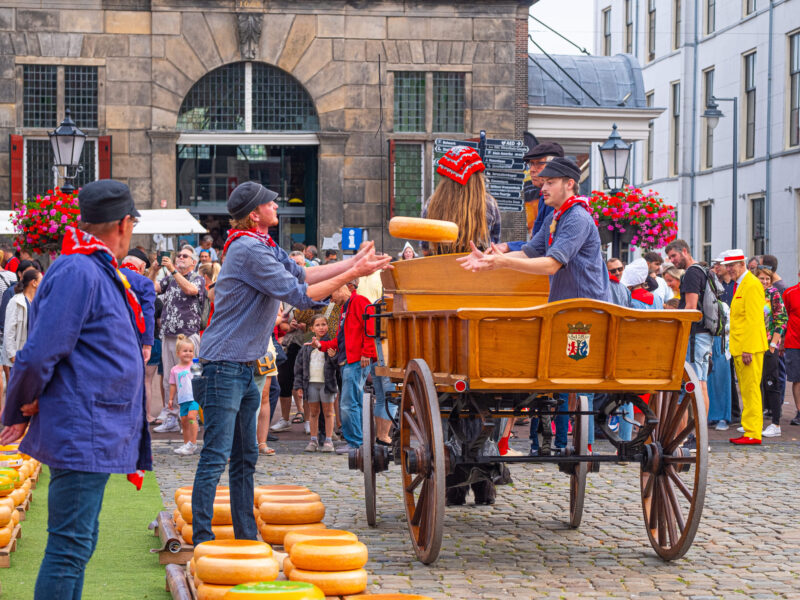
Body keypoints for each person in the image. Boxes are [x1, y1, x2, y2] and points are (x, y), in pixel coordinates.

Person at [190, 181, 390, 546]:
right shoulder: (250, 248)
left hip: (245, 363)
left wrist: (354, 264)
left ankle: (246, 538)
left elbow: (304, 275)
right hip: (225, 364)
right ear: (255, 214)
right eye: (271, 203)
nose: (277, 205)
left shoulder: (263, 245)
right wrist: (351, 275)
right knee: (217, 455)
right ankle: (202, 541)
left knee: (245, 456)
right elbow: (299, 295)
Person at [0, 179, 149, 598]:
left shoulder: (89, 265)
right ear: (123, 224)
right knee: (69, 547)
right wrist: (15, 411)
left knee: (76, 545)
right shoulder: (79, 268)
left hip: (90, 426)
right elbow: (39, 351)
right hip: (84, 427)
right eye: (132, 226)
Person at [460, 156, 608, 459]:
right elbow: (530, 251)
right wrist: (494, 262)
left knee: (581, 381)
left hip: (583, 311)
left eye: (550, 183)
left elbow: (552, 264)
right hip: (565, 309)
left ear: (569, 184)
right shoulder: (558, 216)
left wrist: (500, 261)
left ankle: (583, 443)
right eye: (544, 183)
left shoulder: (577, 217)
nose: (543, 188)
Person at [314, 279, 375, 454]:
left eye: (332, 295)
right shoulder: (347, 306)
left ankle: (356, 442)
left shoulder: (358, 301)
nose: (331, 300)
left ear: (343, 288)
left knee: (349, 403)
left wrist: (367, 352)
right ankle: (358, 441)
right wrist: (321, 346)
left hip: (355, 360)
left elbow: (370, 327)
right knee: (352, 402)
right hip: (351, 359)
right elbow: (342, 338)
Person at [150, 246, 206, 434]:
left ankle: (190, 418)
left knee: (190, 377)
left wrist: (173, 270)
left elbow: (191, 290)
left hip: (187, 335)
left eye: (185, 256)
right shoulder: (169, 279)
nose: (180, 258)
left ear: (193, 262)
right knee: (169, 378)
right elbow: (151, 288)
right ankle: (172, 417)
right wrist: (154, 270)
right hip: (169, 334)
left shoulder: (196, 278)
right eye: (179, 255)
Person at [664, 239, 714, 447]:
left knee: (698, 383)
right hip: (702, 334)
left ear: (684, 251)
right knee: (699, 382)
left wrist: (670, 313)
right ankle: (698, 434)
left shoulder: (692, 273)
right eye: (670, 258)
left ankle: (698, 436)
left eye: (674, 256)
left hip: (696, 334)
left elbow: (691, 308)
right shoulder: (703, 270)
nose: (673, 261)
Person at [722, 249, 769, 445]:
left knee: (750, 390)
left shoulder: (751, 284)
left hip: (748, 347)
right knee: (748, 390)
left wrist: (748, 348)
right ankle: (750, 429)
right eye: (727, 266)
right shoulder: (744, 284)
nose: (729, 269)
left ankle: (753, 432)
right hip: (742, 346)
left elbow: (754, 320)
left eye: (732, 265)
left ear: (742, 264)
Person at [421, 146, 501, 255]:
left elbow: (425, 247)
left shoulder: (433, 203)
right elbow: (494, 244)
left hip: (441, 268)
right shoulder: (489, 203)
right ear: (477, 177)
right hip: (478, 268)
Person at [295, 314, 338, 452]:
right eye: (318, 325)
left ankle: (328, 440)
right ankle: (313, 440)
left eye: (323, 324)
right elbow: (299, 367)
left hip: (327, 384)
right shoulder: (307, 347)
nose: (321, 327)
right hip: (311, 383)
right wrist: (299, 386)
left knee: (328, 412)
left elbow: (338, 365)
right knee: (313, 413)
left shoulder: (332, 344)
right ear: (312, 328)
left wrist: (333, 357)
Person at [755, 265, 787, 437]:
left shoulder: (773, 294)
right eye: (762, 278)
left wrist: (774, 343)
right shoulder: (754, 293)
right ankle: (755, 421)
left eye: (767, 279)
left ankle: (775, 423)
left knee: (771, 382)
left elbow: (781, 318)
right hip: (754, 344)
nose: (765, 282)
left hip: (768, 344)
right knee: (756, 383)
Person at [3, 269, 42, 365]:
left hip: (36, 356)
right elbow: (9, 331)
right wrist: (13, 357)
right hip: (21, 356)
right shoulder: (16, 302)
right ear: (34, 283)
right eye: (42, 280)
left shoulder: (40, 302)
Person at [169, 335, 200, 455]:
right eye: (185, 351)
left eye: (191, 351)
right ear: (178, 353)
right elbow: (173, 385)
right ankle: (187, 445)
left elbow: (200, 380)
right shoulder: (174, 369)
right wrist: (171, 399)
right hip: (183, 400)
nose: (188, 353)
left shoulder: (195, 366)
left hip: (194, 398)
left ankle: (193, 443)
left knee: (192, 418)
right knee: (184, 422)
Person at [782, 268, 800, 426]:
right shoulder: (789, 293)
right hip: (794, 342)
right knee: (796, 378)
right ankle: (799, 411)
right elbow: (784, 315)